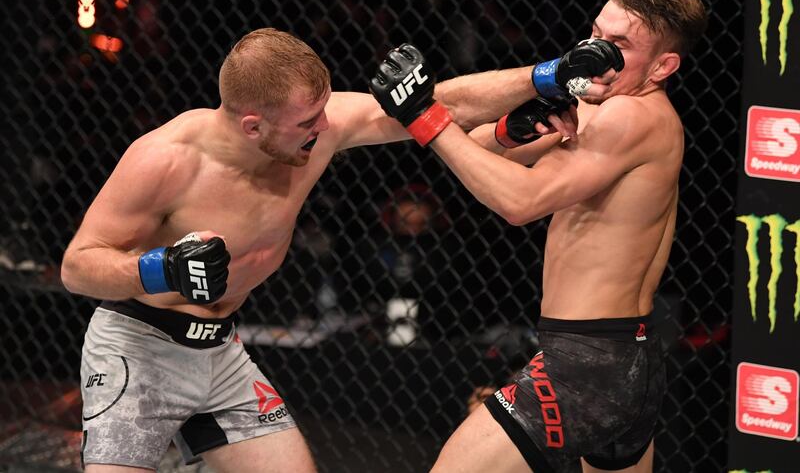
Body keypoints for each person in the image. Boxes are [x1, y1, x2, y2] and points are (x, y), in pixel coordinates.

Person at [60, 28, 616, 472]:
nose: (324, 128)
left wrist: (546, 75)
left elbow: (434, 102)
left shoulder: (315, 128)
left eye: (323, 111)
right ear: (253, 126)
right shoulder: (165, 160)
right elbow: (78, 268)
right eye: (307, 122)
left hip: (220, 352)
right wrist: (161, 269)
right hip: (139, 348)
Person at [370, 0, 708, 473]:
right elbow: (475, 153)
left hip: (587, 361)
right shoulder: (598, 104)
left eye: (620, 44)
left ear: (663, 66)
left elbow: (519, 203)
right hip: (623, 357)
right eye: (596, 33)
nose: (600, 51)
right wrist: (511, 130)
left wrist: (423, 114)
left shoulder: (633, 118)